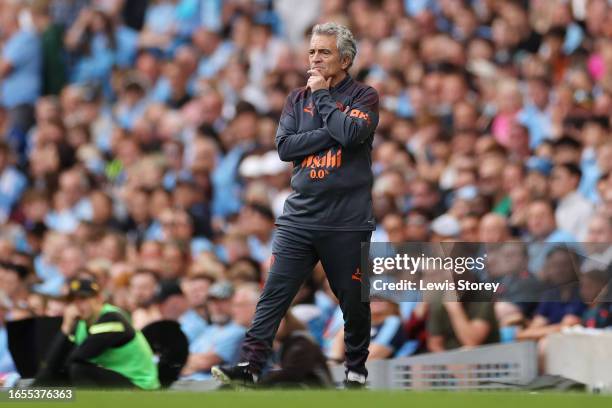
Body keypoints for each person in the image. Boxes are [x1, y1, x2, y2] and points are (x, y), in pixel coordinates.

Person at [212, 22, 380, 388]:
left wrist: (322, 102)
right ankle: (250, 365)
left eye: (324, 52)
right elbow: (285, 147)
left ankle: (356, 370)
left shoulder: (364, 96)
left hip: (347, 222)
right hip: (299, 217)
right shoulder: (295, 99)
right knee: (273, 293)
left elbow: (352, 134)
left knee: (353, 301)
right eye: (312, 51)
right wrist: (330, 133)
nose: (315, 58)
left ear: (346, 60)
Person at [34, 278, 160, 389]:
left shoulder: (112, 318)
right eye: (73, 300)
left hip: (140, 387)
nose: (77, 305)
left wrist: (55, 366)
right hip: (118, 380)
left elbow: (76, 357)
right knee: (57, 374)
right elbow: (52, 365)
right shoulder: (80, 323)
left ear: (99, 298)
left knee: (78, 369)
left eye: (83, 299)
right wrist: (65, 328)